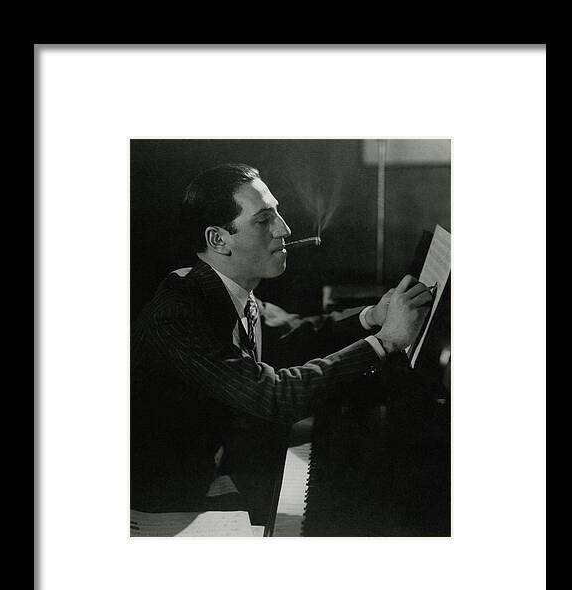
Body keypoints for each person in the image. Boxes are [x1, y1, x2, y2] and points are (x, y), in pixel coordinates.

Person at [131, 163, 432, 524]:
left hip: (210, 475)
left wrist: (372, 316)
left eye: (277, 212)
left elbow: (294, 332)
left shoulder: (228, 289)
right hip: (162, 504)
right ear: (218, 240)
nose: (285, 229)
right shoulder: (179, 312)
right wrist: (385, 343)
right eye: (263, 220)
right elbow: (275, 397)